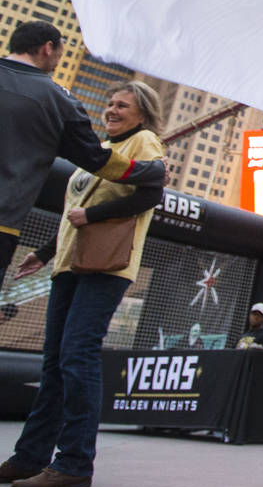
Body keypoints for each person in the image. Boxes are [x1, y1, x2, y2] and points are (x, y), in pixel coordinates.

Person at [0, 80, 165, 487]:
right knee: (54, 363)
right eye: (109, 103)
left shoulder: (144, 143)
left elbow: (149, 197)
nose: (111, 110)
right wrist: (46, 252)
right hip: (70, 265)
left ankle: (74, 462)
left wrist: (93, 218)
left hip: (107, 266)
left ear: (142, 113)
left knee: (77, 355)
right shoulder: (99, 153)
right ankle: (29, 458)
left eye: (122, 105)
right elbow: (77, 213)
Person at [0, 20, 167, 287]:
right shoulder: (59, 102)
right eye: (59, 55)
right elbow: (98, 161)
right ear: (47, 48)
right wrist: (153, 171)